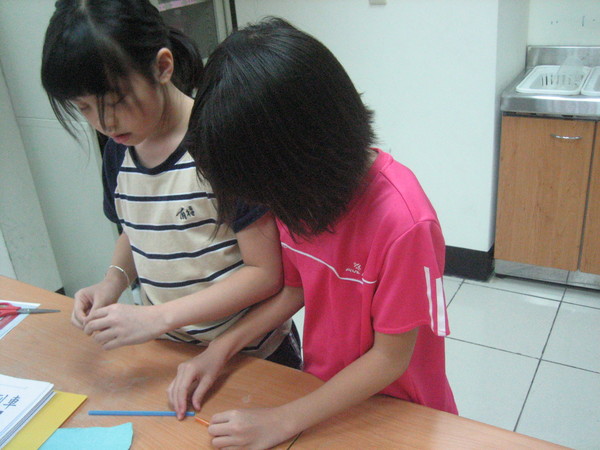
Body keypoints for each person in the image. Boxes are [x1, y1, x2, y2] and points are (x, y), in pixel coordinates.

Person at [168, 17, 458, 449]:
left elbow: (389, 358)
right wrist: (219, 349)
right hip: (325, 397)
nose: (266, 204)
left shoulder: (403, 223)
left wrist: (284, 420)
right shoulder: (295, 193)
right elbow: (294, 290)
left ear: (306, 152)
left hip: (399, 411)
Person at [40, 1, 301, 371]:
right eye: (84, 108)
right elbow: (137, 229)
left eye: (115, 101)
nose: (104, 123)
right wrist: (112, 282)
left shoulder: (220, 142)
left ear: (162, 67)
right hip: (172, 351)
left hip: (254, 355)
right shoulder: (120, 149)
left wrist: (156, 317)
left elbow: (265, 274)